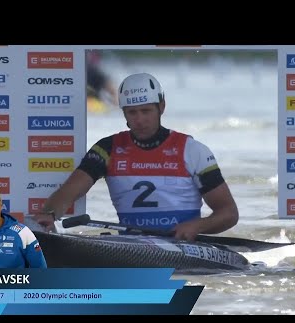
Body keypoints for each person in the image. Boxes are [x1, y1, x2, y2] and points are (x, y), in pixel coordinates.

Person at [35, 72, 239, 241]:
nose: (140, 119)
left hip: (182, 243)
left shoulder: (193, 150)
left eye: (146, 111)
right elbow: (72, 189)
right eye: (132, 112)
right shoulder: (107, 148)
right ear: (124, 113)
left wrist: (197, 226)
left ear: (161, 107)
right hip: (132, 242)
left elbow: (228, 213)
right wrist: (50, 213)